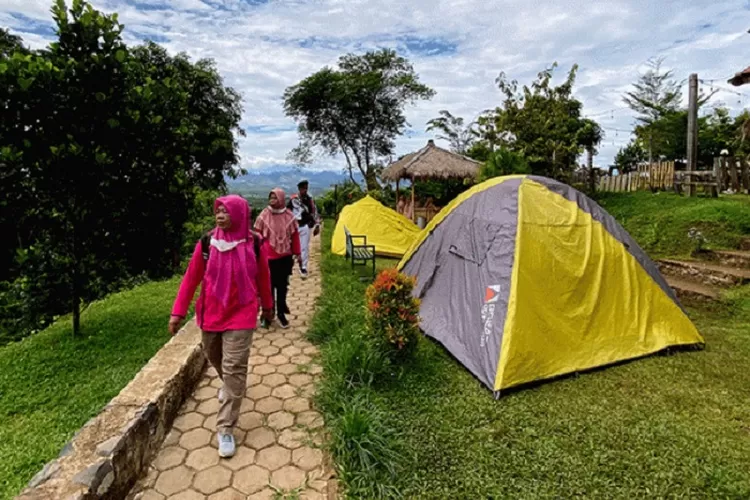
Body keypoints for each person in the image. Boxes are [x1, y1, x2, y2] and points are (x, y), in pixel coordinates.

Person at [168, 194, 274, 459]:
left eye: (225, 212)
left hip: (243, 313)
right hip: (211, 314)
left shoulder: (255, 243)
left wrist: (269, 307)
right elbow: (191, 278)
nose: (219, 216)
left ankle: (225, 427)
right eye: (217, 211)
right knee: (214, 356)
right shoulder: (207, 243)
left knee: (234, 366)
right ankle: (231, 387)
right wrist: (177, 312)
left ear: (238, 214)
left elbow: (263, 277)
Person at [254, 188, 301, 329]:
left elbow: (295, 235)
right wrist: (255, 254)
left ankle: (281, 313)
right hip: (267, 259)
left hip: (284, 259)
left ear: (281, 199)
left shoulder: (289, 215)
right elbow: (257, 235)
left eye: (275, 198)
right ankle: (267, 315)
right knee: (267, 288)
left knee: (282, 288)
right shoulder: (264, 215)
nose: (272, 200)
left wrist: (297, 252)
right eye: (271, 197)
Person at [288, 180, 320, 279]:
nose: (304, 190)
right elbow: (287, 212)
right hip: (294, 227)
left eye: (306, 188)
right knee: (290, 248)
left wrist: (316, 224)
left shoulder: (309, 200)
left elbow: (314, 212)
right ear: (299, 189)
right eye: (303, 188)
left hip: (304, 226)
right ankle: (288, 268)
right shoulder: (293, 200)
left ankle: (303, 267)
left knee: (304, 248)